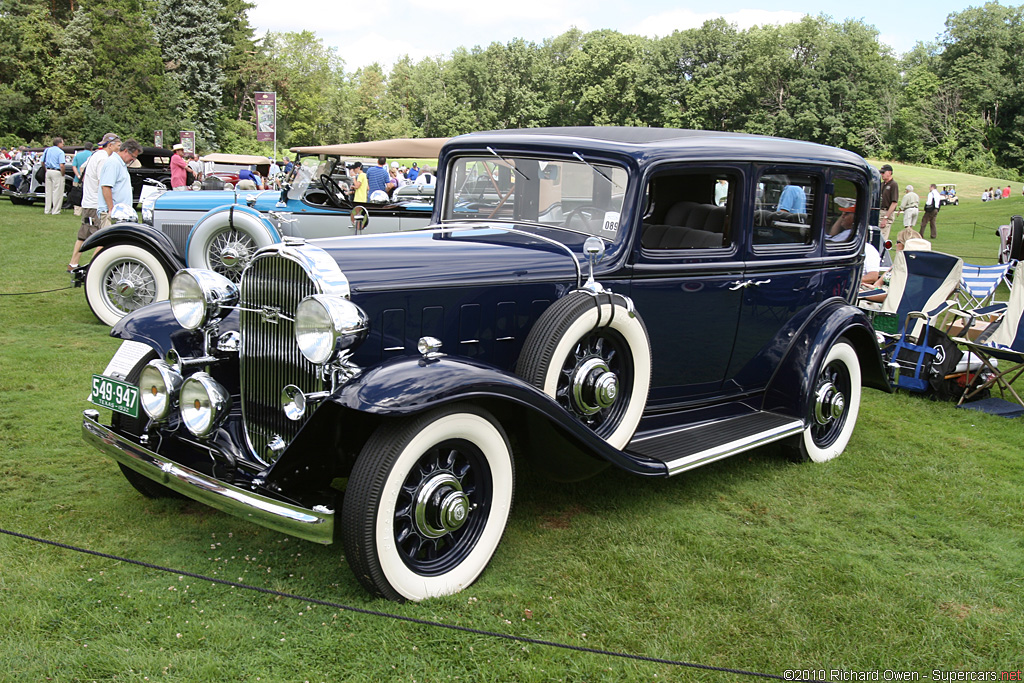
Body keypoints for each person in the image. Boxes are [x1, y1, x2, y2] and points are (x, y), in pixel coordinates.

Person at [69, 133, 119, 270]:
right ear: (110, 145)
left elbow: (81, 169)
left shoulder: (94, 155)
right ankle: (93, 267)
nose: (119, 149)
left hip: (87, 201)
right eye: (118, 146)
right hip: (95, 204)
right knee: (105, 236)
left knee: (83, 235)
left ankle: (73, 263)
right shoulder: (103, 159)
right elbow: (103, 182)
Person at [97, 139, 141, 229]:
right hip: (113, 214)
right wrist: (111, 209)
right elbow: (106, 186)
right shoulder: (113, 163)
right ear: (125, 151)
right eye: (132, 156)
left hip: (121, 214)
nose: (133, 160)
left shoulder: (121, 164)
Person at [42, 136, 66, 215]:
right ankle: (55, 210)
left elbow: (42, 161)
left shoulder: (47, 150)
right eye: (62, 143)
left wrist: (45, 169)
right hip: (56, 171)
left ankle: (47, 210)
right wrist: (62, 173)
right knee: (57, 191)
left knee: (48, 191)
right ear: (59, 143)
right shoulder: (60, 152)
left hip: (48, 171)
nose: (63, 145)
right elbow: (61, 165)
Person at [878, 164, 898, 240]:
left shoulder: (893, 184)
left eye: (883, 172)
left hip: (886, 212)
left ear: (889, 173)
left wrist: (886, 217)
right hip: (880, 211)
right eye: (881, 173)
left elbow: (894, 202)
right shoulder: (882, 184)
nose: (882, 174)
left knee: (882, 237)